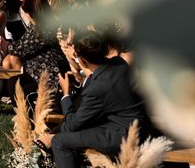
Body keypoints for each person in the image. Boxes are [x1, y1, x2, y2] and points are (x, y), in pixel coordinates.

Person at [39, 33, 151, 168]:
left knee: (59, 141)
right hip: (140, 127)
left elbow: (73, 125)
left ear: (83, 61)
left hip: (123, 136)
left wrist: (66, 94)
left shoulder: (97, 88)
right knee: (68, 134)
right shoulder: (119, 63)